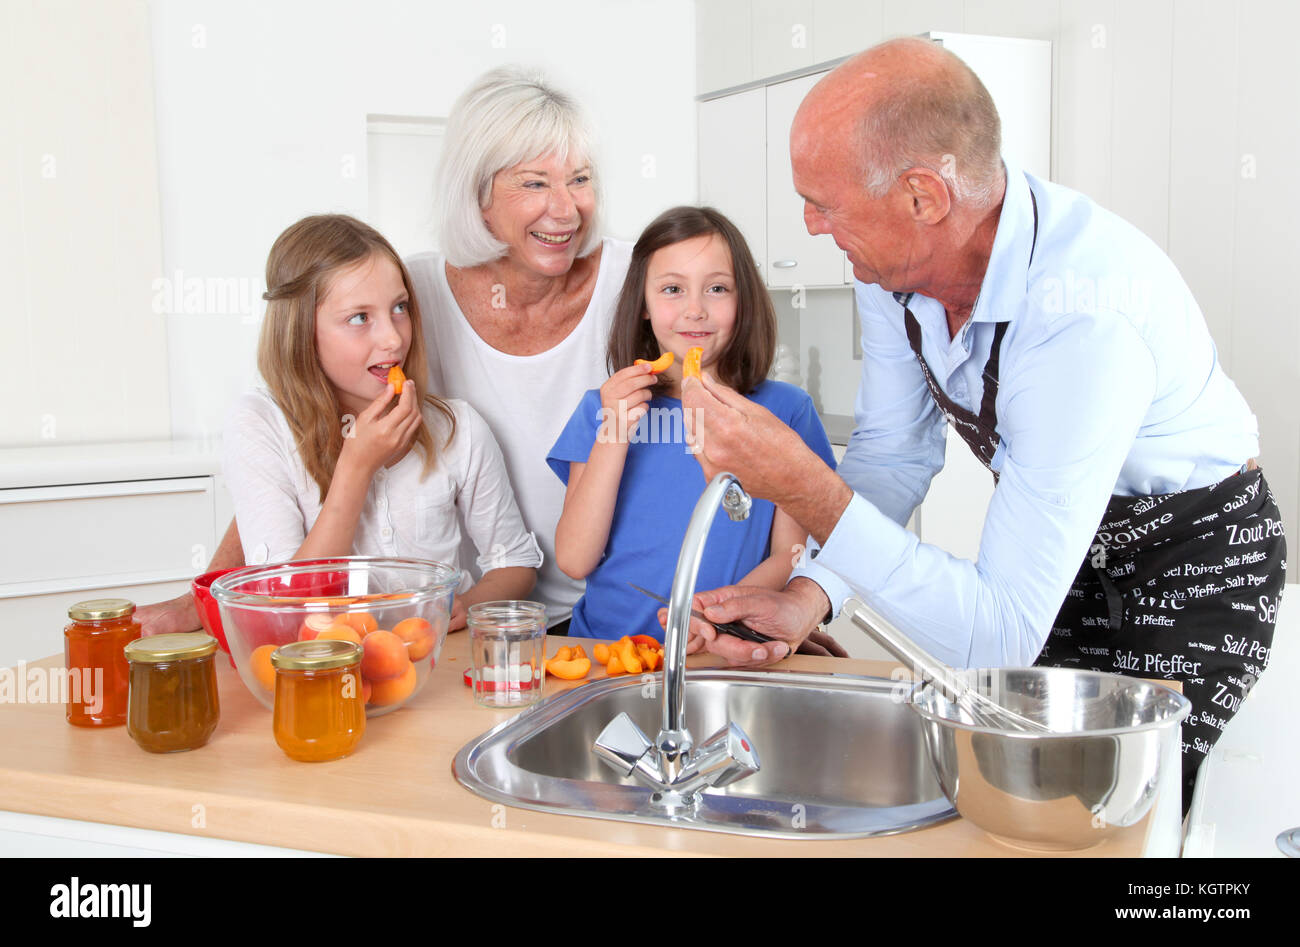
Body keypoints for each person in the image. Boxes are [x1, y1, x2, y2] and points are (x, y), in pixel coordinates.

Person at [679, 37, 1285, 809]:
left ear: (924, 196)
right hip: (1068, 555)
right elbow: (895, 456)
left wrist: (803, 485)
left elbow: (999, 634)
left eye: (824, 203)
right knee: (1019, 797)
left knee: (1124, 817)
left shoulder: (1084, 315)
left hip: (1193, 559)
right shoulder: (893, 266)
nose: (809, 225)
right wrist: (808, 597)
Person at [138, 66, 629, 636]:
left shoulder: (638, 285)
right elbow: (283, 465)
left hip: (606, 609)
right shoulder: (412, 289)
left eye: (581, 179)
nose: (566, 209)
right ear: (479, 197)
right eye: (535, 182)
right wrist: (201, 598)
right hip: (481, 632)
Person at [222, 214, 540, 623]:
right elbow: (287, 606)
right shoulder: (259, 425)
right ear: (300, 330)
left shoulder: (456, 427)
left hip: (432, 666)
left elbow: (514, 563)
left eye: (399, 308)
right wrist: (357, 466)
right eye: (360, 318)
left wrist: (466, 605)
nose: (393, 338)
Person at [545, 206, 835, 641]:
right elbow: (574, 558)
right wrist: (614, 433)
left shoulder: (786, 412)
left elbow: (788, 556)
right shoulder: (601, 409)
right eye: (672, 289)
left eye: (717, 288)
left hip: (723, 653)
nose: (695, 310)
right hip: (603, 655)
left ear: (744, 302)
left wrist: (710, 617)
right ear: (643, 305)